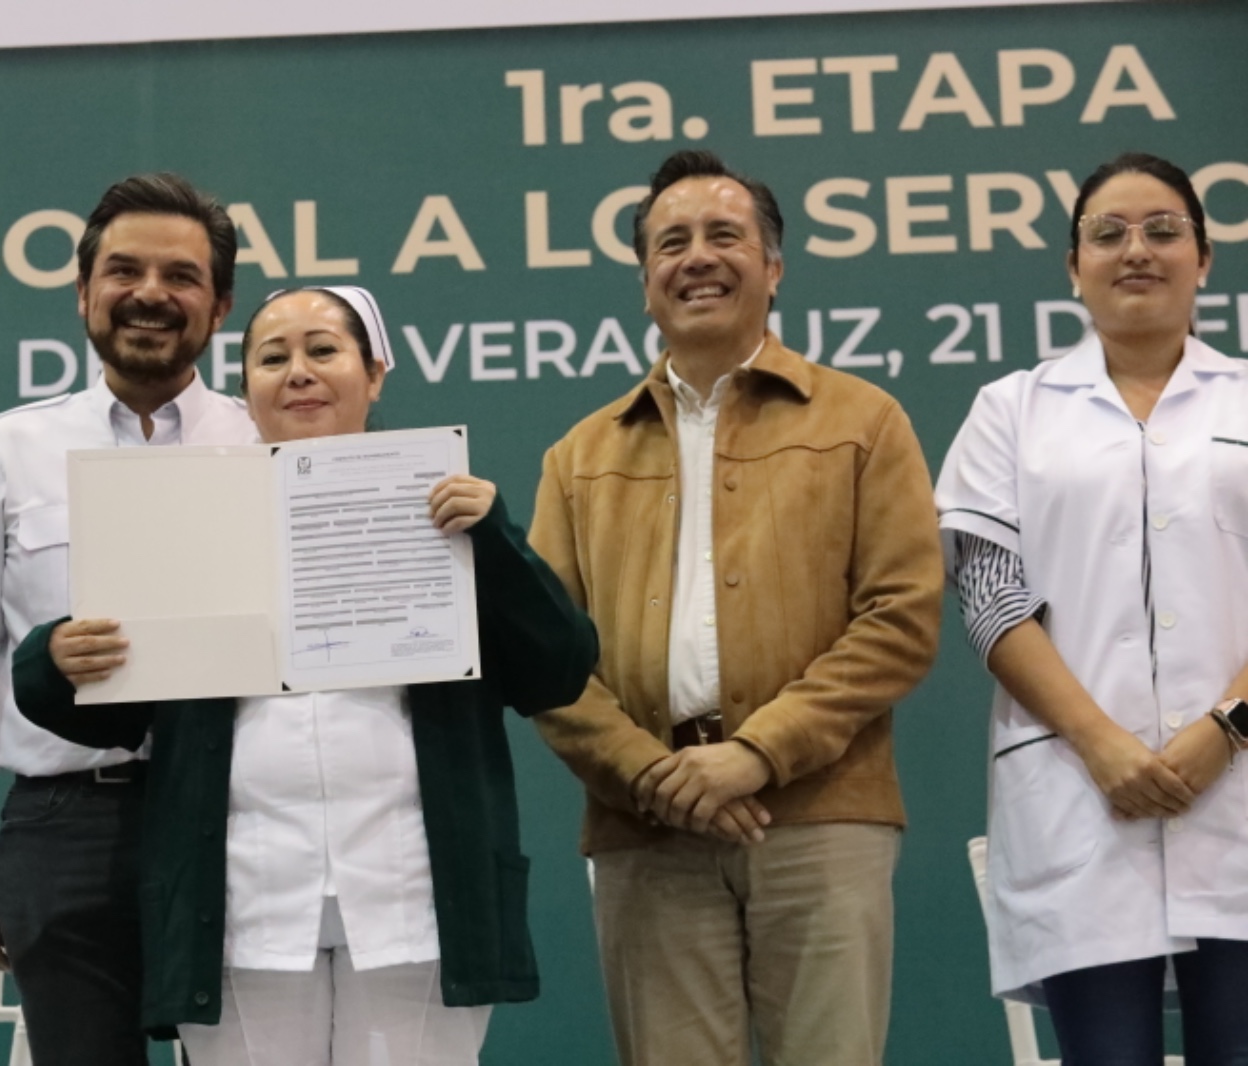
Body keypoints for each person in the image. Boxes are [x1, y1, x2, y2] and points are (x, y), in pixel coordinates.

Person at [10, 285, 598, 1065]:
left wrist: (495, 544)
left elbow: (559, 669)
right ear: (245, 387)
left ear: (375, 373)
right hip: (241, 906)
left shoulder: (451, 512)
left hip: (417, 901)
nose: (298, 372)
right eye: (272, 358)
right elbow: (104, 709)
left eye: (323, 350)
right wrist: (54, 659)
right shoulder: (188, 516)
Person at [527, 150, 943, 1066]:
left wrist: (756, 754)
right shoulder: (578, 456)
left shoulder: (864, 421)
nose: (698, 257)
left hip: (820, 815)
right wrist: (652, 775)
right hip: (646, 825)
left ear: (774, 267)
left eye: (725, 235)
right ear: (645, 280)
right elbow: (548, 659)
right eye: (671, 242)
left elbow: (901, 617)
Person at [0, 172, 259, 1065]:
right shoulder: (7, 448)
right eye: (124, 270)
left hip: (244, 817)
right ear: (83, 292)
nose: (150, 293)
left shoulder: (268, 445)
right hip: (62, 827)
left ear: (220, 305)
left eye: (181, 276)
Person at [936, 151, 1248, 1065]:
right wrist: (1100, 742)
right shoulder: (1013, 409)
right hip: (1080, 793)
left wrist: (1228, 726)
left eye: (1163, 230)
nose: (1136, 250)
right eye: (1107, 234)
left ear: (1204, 258)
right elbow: (988, 595)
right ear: (1074, 267)